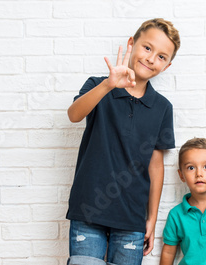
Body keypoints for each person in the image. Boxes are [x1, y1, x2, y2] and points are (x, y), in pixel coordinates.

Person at [66, 18, 180, 265]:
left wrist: (151, 217)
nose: (151, 59)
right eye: (147, 48)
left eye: (161, 57)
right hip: (88, 210)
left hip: (132, 218)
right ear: (132, 43)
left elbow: (156, 166)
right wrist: (108, 85)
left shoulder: (162, 108)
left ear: (167, 66)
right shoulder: (98, 85)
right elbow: (74, 115)